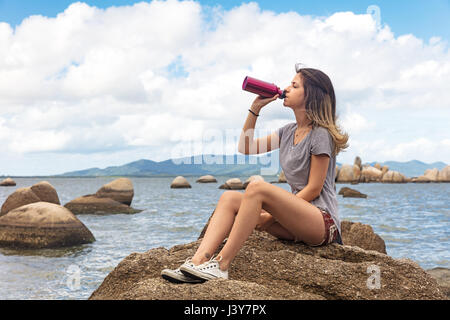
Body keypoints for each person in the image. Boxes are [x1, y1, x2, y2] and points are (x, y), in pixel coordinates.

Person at [161, 64, 349, 283]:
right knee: (230, 197)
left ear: (311, 95)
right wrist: (255, 108)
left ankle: (221, 265)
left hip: (321, 223)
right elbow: (246, 147)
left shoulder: (320, 134)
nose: (286, 88)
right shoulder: (288, 132)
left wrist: (269, 216)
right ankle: (197, 263)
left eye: (294, 85)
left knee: (257, 188)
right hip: (295, 223)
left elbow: (314, 188)